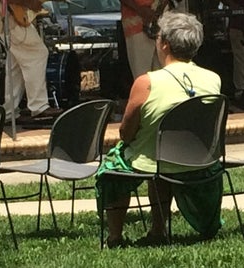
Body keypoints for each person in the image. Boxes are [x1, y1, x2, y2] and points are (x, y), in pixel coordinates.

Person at [95, 11, 223, 248]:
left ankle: (114, 237)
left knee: (112, 168)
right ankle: (157, 229)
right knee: (159, 159)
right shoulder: (213, 79)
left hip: (156, 160)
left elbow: (126, 132)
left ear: (164, 43)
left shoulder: (146, 82)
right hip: (201, 159)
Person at [0, 0, 62, 121]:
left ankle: (9, 111)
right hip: (12, 20)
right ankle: (39, 106)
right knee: (38, 54)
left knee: (16, 67)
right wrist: (31, 3)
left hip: (9, 19)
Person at [121, 0, 187, 79]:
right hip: (137, 26)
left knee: (165, 75)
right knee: (143, 76)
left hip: (162, 24)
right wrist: (140, 10)